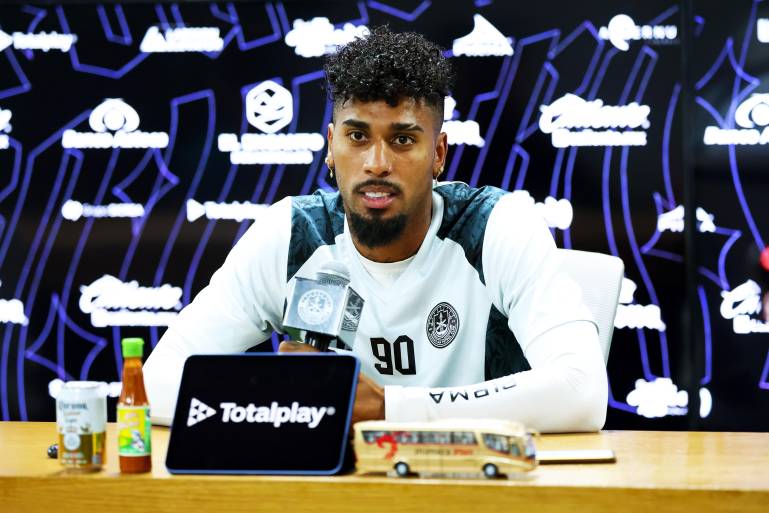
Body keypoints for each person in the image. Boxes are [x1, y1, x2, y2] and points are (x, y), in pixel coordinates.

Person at [144, 27, 607, 433]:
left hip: (475, 488)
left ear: (438, 154)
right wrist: (284, 398)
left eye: (403, 139)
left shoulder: (495, 227)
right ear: (331, 147)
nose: (377, 163)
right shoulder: (294, 233)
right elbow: (155, 385)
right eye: (358, 136)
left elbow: (583, 392)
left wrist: (390, 409)